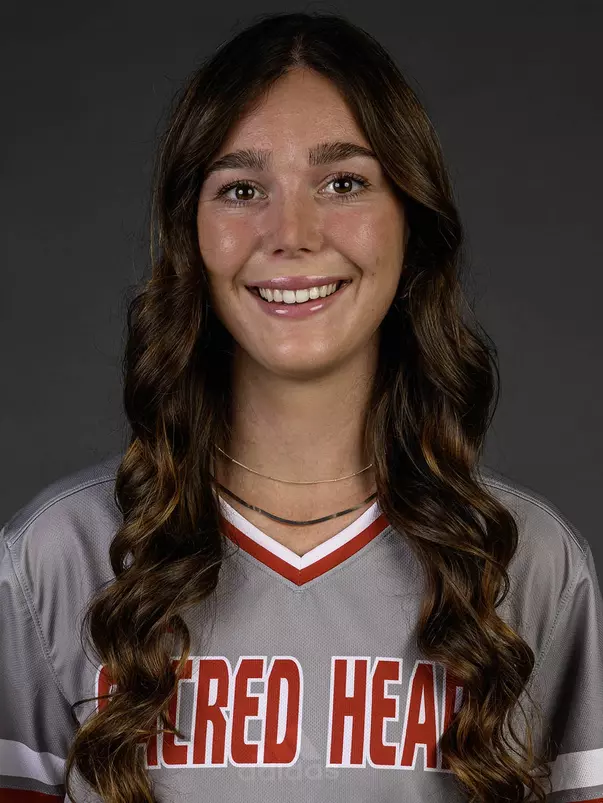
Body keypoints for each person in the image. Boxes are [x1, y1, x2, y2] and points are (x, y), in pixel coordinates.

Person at [1, 10, 602, 803]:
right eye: (241, 188)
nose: (291, 233)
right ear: (192, 234)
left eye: (343, 182)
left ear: (409, 225)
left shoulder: (525, 562)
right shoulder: (58, 559)